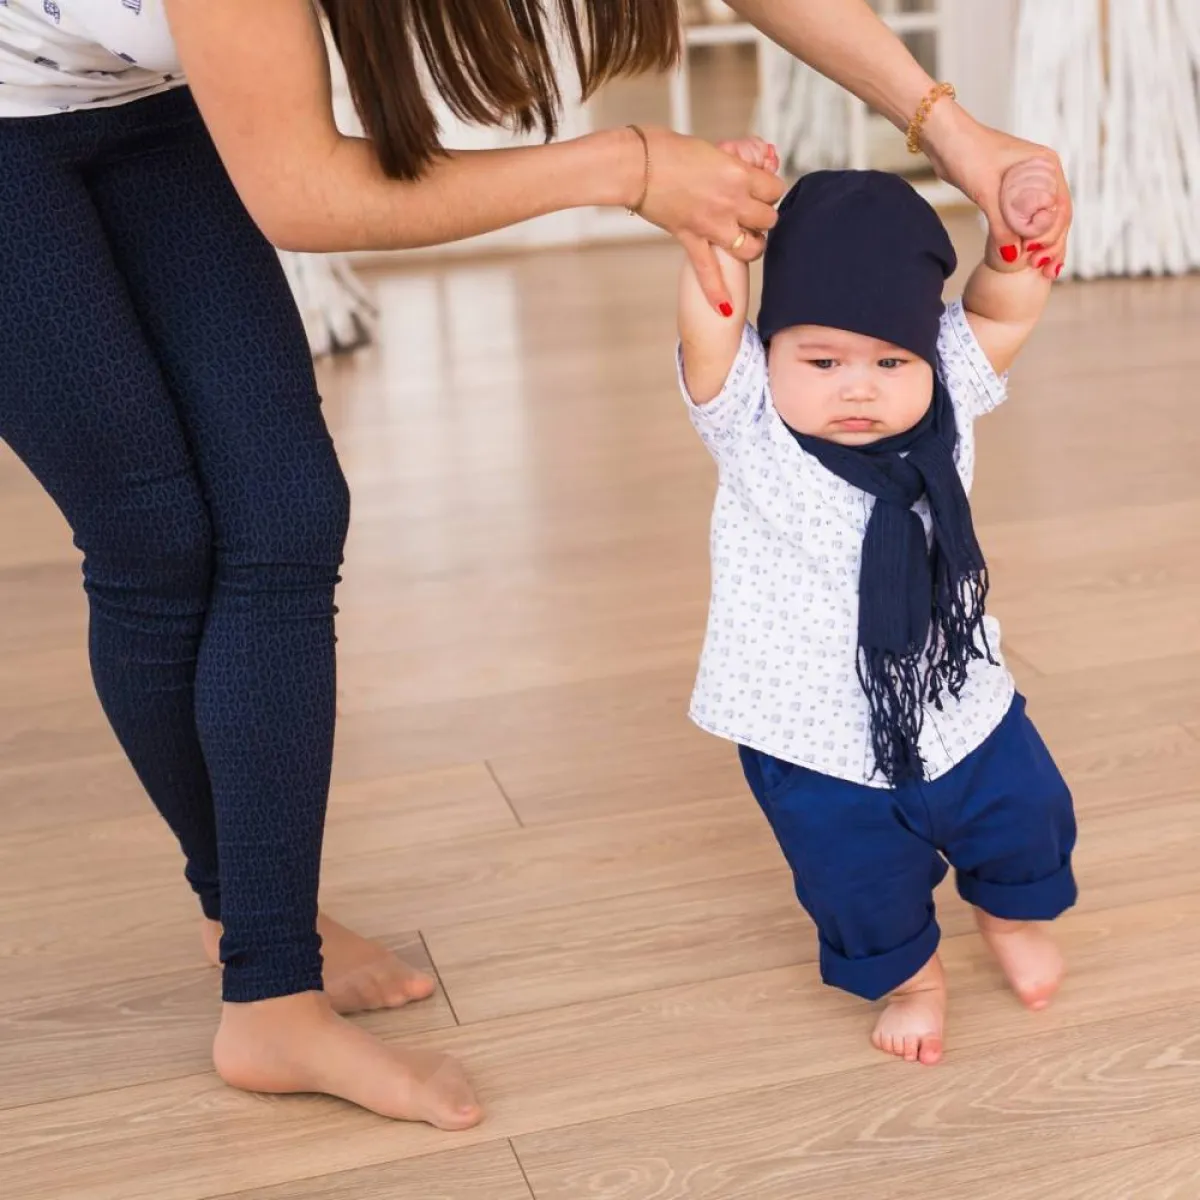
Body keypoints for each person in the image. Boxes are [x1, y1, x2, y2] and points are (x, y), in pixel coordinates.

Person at [0, 0, 1072, 1127]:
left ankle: (260, 935)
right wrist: (628, 164)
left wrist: (948, 127)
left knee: (285, 517)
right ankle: (266, 980)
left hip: (143, 101)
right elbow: (302, 193)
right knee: (155, 540)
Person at [676, 143, 1074, 1067]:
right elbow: (713, 313)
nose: (858, 386)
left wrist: (1020, 239)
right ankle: (913, 978)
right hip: (812, 739)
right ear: (769, 350)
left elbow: (1005, 305)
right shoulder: (745, 417)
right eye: (822, 359)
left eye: (892, 359)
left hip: (961, 705)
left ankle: (1008, 918)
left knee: (1027, 816)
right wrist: (724, 227)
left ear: (929, 355)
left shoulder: (947, 398)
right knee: (858, 879)